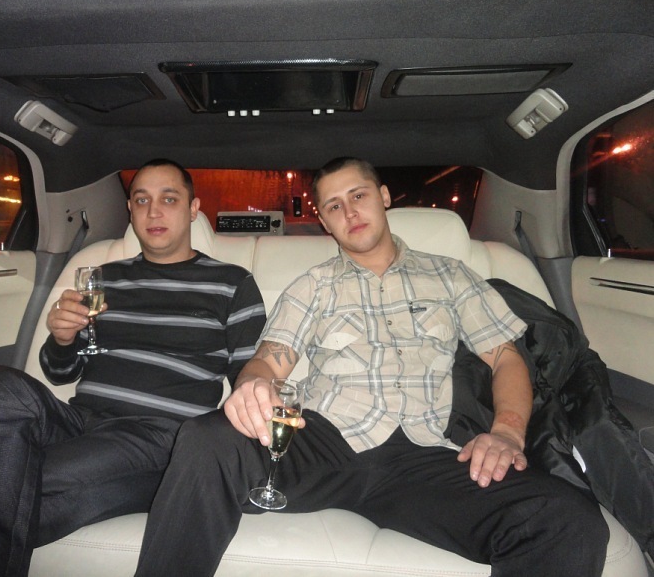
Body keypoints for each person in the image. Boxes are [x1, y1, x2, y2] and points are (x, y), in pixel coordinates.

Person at [134, 157, 610, 577]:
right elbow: (269, 359)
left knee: (566, 518)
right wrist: (253, 386)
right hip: (322, 441)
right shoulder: (314, 285)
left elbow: (506, 357)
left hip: (423, 454)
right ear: (324, 221)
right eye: (333, 206)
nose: (349, 212)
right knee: (207, 437)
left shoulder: (450, 275)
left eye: (358, 196)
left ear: (383, 197)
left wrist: (506, 432)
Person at [0, 159, 266, 577]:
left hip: (159, 435)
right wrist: (63, 339)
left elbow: (250, 379)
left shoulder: (231, 283)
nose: (154, 211)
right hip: (79, 421)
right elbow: (61, 373)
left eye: (169, 199)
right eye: (141, 201)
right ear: (130, 210)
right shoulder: (101, 278)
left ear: (193, 209)